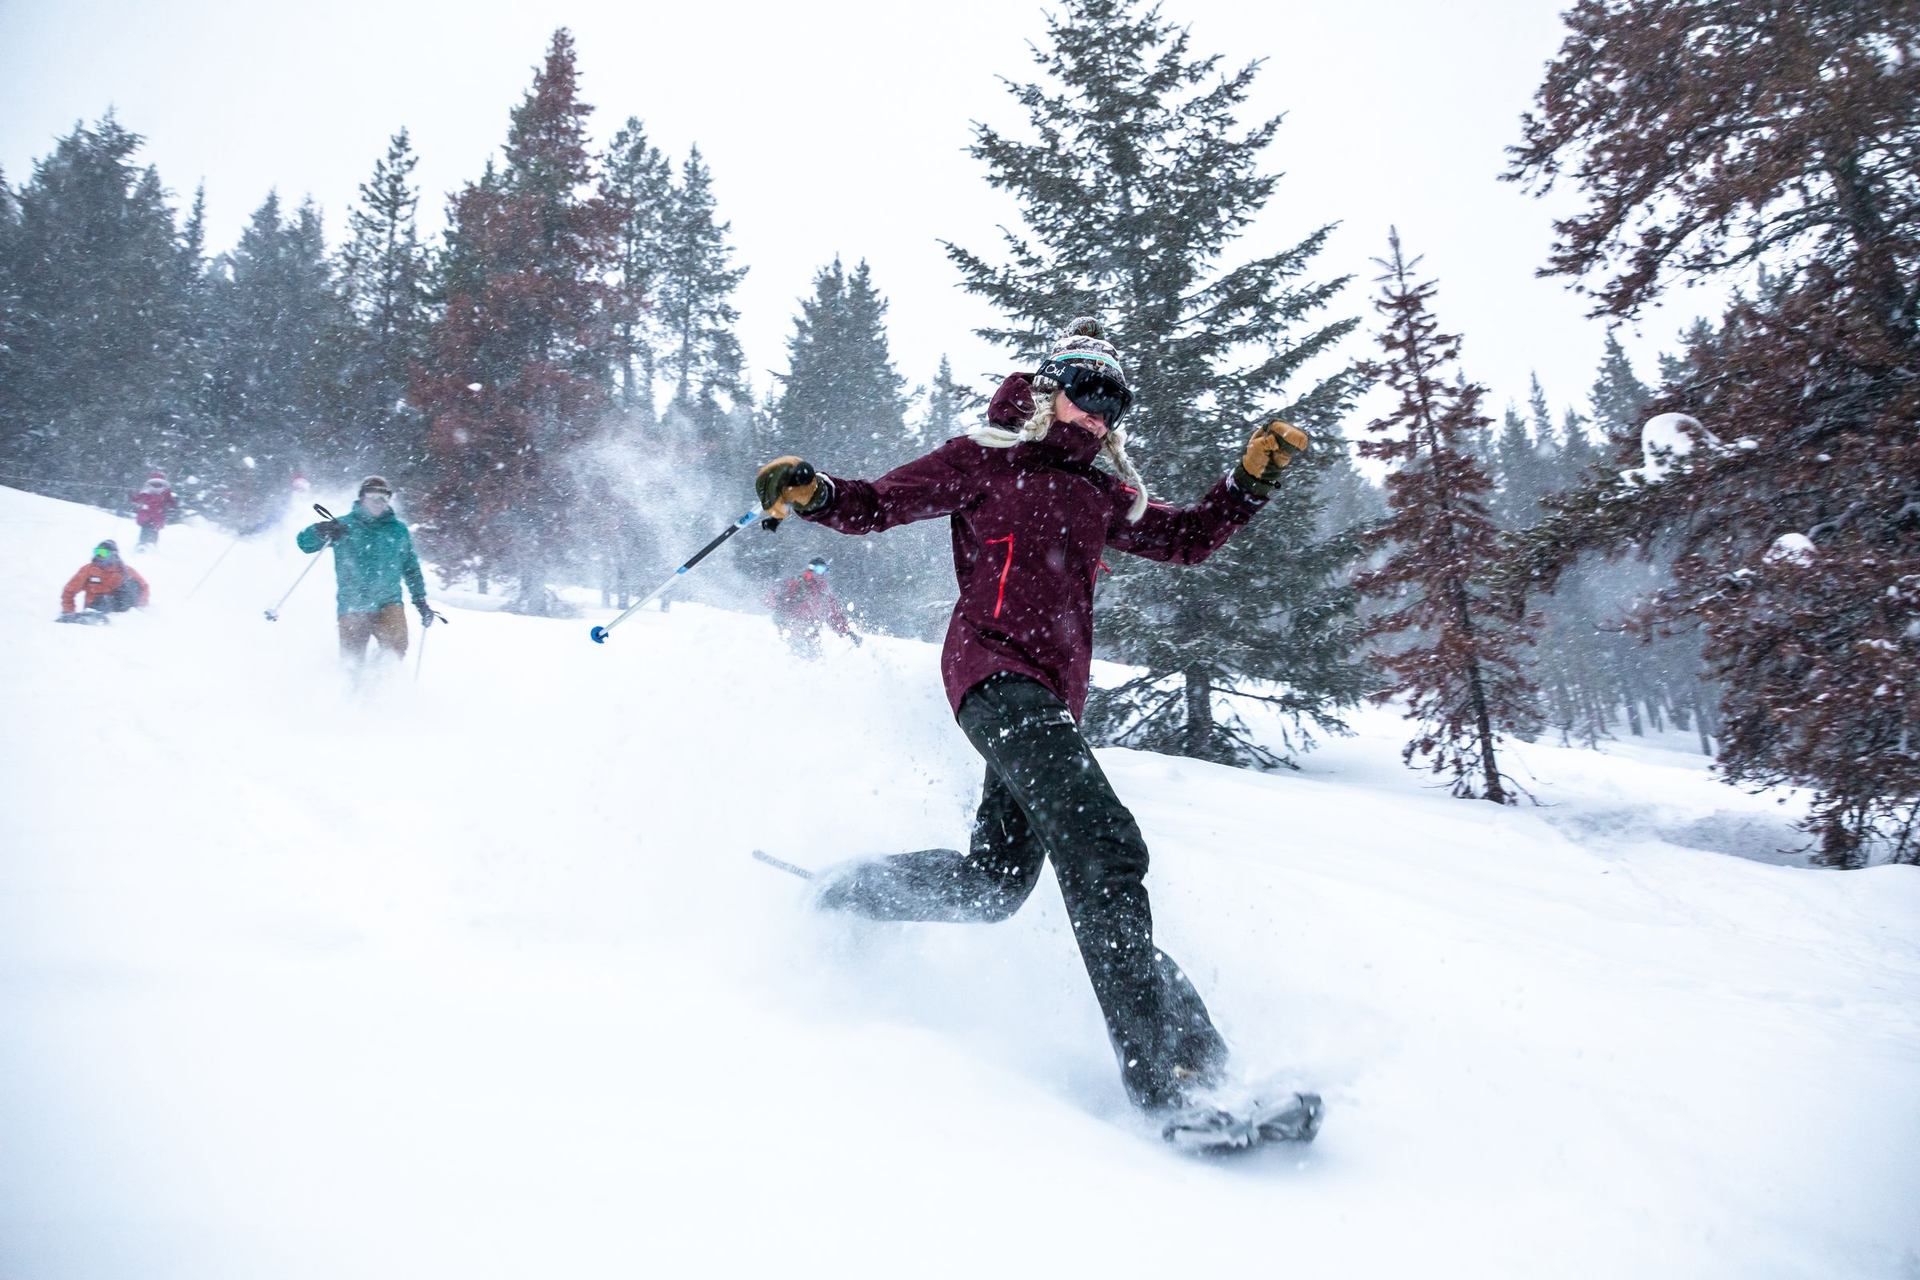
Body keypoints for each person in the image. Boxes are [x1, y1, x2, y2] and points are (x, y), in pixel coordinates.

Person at [753, 317, 1309, 1116]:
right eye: (1088, 393)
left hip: (1048, 700)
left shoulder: (1101, 492)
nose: (1099, 415)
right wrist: (819, 493)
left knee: (995, 885)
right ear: (1052, 388)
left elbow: (1188, 540)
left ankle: (849, 890)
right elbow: (878, 503)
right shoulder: (988, 455)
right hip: (990, 671)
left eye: (1115, 404)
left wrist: (1247, 485)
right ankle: (1173, 1078)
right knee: (1105, 844)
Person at [295, 476, 434, 665]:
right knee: (352, 660)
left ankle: (381, 681)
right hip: (353, 604)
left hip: (388, 602)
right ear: (362, 498)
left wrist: (420, 600)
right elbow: (304, 543)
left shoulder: (398, 531)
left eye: (383, 498)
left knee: (396, 647)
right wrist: (321, 530)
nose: (378, 502)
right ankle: (352, 689)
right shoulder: (344, 526)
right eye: (373, 496)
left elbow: (411, 568)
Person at [767, 555, 858, 657]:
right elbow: (774, 595)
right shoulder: (798, 583)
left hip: (811, 631)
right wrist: (779, 607)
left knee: (815, 660)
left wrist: (847, 632)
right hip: (793, 627)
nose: (821, 573)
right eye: (819, 569)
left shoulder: (824, 592)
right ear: (811, 569)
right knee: (795, 657)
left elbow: (834, 615)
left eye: (824, 570)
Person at [58, 539, 149, 621]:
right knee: (104, 599)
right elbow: (69, 590)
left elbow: (143, 586)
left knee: (132, 584)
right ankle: (93, 616)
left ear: (113, 555)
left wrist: (141, 604)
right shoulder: (89, 570)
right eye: (97, 552)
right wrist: (68, 611)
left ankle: (124, 617)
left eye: (103, 553)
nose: (99, 556)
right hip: (95, 607)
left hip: (117, 606)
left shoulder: (124, 570)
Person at [130, 471, 178, 549]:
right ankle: (150, 543)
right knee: (153, 529)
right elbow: (170, 501)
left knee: (146, 528)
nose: (156, 485)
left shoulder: (146, 490)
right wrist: (173, 506)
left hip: (147, 513)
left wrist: (132, 497)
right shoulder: (165, 491)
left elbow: (136, 499)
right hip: (157, 514)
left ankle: (143, 543)